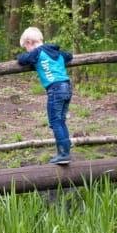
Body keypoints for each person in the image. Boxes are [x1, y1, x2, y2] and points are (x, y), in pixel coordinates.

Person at [16, 27, 74, 165]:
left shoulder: (37, 52)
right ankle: (66, 145)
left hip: (55, 89)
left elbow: (23, 60)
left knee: (55, 122)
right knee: (60, 120)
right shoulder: (57, 52)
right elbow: (69, 56)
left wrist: (18, 57)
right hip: (67, 87)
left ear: (29, 42)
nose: (26, 50)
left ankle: (63, 154)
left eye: (25, 47)